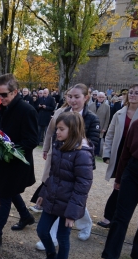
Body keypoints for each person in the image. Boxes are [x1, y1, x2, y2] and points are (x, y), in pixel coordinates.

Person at [94, 89, 138, 259]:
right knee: (120, 218)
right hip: (132, 172)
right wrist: (120, 178)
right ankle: (111, 258)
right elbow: (125, 154)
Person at [32, 83, 100, 250]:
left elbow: (94, 143)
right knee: (59, 194)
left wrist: (76, 149)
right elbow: (51, 132)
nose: (72, 100)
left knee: (73, 196)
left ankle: (85, 225)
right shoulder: (61, 112)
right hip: (59, 158)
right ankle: (52, 236)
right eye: (70, 96)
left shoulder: (91, 118)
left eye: (77, 97)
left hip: (78, 162)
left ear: (86, 98)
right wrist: (47, 148)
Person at [36, 112, 94, 259]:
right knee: (42, 230)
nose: (57, 133)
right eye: (57, 129)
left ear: (73, 130)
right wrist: (43, 193)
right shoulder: (60, 145)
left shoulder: (82, 153)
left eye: (61, 129)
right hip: (53, 197)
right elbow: (53, 174)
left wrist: (72, 212)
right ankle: (51, 256)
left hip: (68, 205)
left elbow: (83, 185)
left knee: (62, 237)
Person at [0, 73, 38, 252]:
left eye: (4, 95)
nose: (1, 98)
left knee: (5, 196)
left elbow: (32, 141)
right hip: (4, 161)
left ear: (15, 92)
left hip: (17, 162)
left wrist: (8, 149)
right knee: (9, 191)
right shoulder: (2, 107)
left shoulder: (27, 110)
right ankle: (25, 216)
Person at [97, 84, 138, 228]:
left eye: (136, 93)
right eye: (130, 92)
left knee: (125, 186)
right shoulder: (119, 112)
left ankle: (112, 216)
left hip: (137, 154)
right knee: (119, 185)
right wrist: (107, 154)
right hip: (120, 152)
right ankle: (109, 217)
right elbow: (110, 135)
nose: (132, 95)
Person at [88, 92, 110, 156]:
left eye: (102, 97)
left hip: (101, 126)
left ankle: (96, 153)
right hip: (91, 125)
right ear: (97, 97)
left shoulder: (107, 107)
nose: (101, 98)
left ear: (104, 98)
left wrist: (105, 128)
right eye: (99, 97)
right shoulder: (91, 105)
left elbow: (107, 118)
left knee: (99, 139)